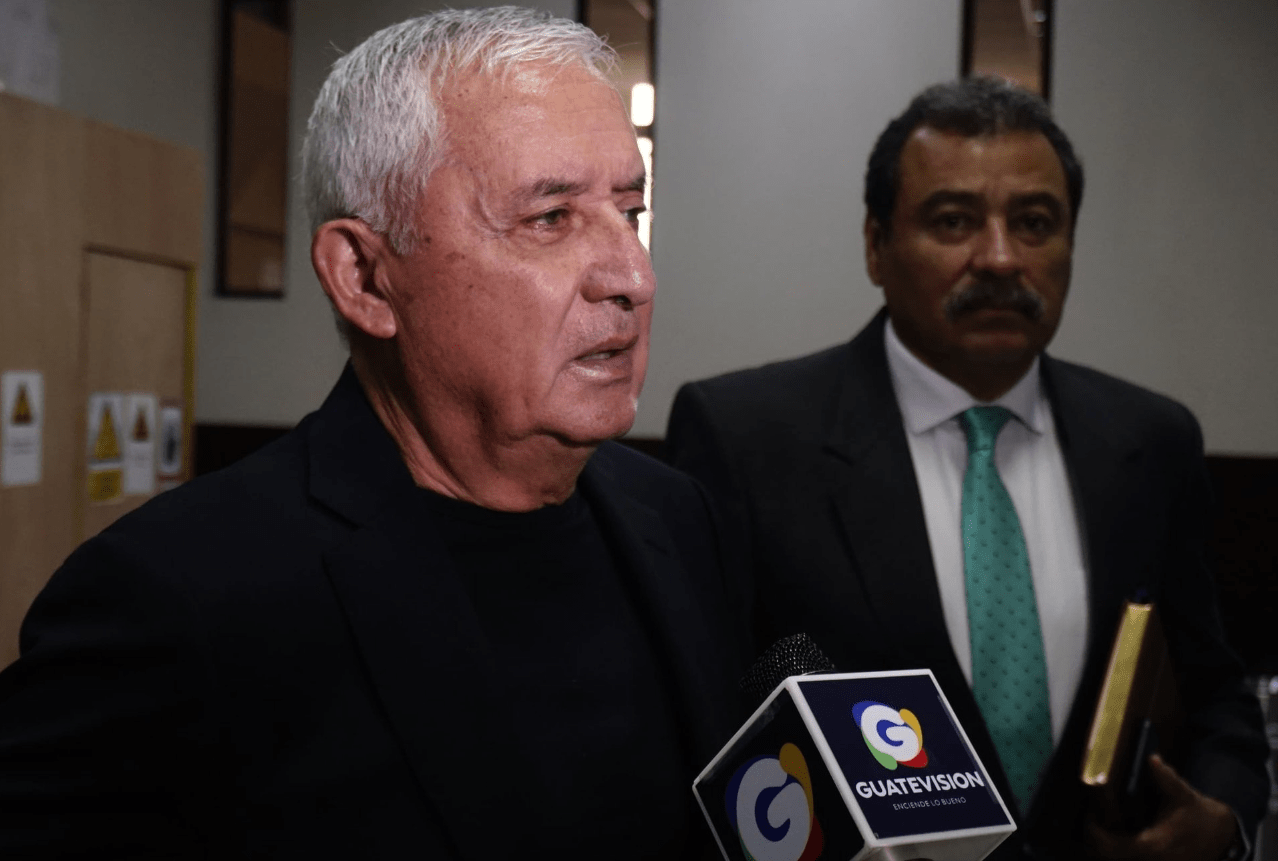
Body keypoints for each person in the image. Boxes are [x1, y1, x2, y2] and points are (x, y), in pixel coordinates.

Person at [0, 8, 747, 859]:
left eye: (630, 210)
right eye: (550, 217)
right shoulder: (181, 595)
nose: (633, 276)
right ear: (363, 277)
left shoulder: (678, 519)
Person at [666, 77, 1268, 860]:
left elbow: (1215, 692)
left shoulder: (1151, 442)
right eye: (953, 221)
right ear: (876, 245)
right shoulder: (747, 439)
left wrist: (1222, 820)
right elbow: (697, 719)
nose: (1000, 258)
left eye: (1035, 223)